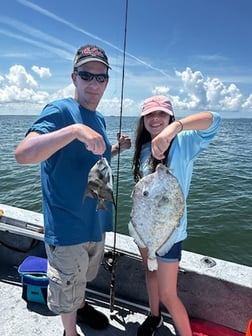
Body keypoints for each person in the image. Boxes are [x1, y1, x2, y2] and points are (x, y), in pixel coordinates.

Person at [15, 44, 131, 336]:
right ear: (74, 77)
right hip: (67, 228)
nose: (94, 83)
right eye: (86, 75)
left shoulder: (100, 118)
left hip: (95, 220)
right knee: (67, 284)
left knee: (82, 278)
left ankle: (79, 307)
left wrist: (116, 149)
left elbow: (94, 159)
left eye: (101, 77)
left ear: (107, 80)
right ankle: (70, 332)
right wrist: (74, 131)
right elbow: (23, 154)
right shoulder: (60, 111)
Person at [131, 95, 221, 336]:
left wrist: (174, 129)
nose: (155, 118)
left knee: (169, 294)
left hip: (170, 230)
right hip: (144, 228)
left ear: (171, 117)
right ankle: (154, 316)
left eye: (162, 113)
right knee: (150, 272)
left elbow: (214, 120)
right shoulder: (144, 148)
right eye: (150, 114)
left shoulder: (184, 142)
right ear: (143, 120)